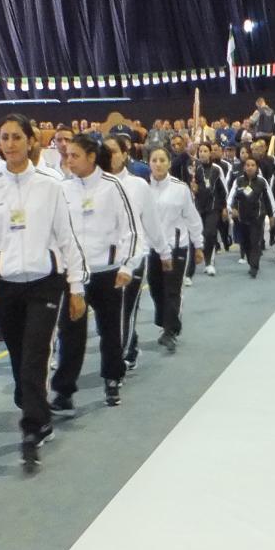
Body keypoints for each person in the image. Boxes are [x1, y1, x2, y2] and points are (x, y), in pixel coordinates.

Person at [0, 118, 86, 465]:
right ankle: (35, 408)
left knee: (36, 353)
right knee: (19, 355)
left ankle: (32, 427)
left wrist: (76, 285)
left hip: (44, 282)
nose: (9, 144)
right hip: (5, 285)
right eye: (4, 137)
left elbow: (66, 237)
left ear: (31, 141)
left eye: (16, 137)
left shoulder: (50, 186)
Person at [51, 133, 141, 411]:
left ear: (91, 157)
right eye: (67, 156)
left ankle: (112, 379)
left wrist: (127, 265)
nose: (69, 161)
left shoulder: (113, 187)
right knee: (70, 333)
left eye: (75, 155)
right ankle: (64, 391)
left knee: (110, 330)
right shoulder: (63, 190)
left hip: (108, 272)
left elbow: (132, 230)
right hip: (75, 275)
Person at [102, 134, 156, 372]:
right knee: (109, 316)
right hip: (103, 261)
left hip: (133, 258)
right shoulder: (96, 185)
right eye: (105, 151)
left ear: (125, 154)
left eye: (114, 151)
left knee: (125, 310)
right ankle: (130, 345)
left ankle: (116, 368)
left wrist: (163, 252)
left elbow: (151, 223)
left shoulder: (138, 185)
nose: (109, 156)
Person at [145, 146, 205, 352]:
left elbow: (192, 218)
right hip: (152, 249)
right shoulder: (143, 189)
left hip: (176, 247)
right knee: (155, 288)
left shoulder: (180, 188)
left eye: (162, 160)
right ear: (149, 163)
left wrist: (199, 245)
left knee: (172, 290)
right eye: (154, 160)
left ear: (169, 163)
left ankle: (171, 331)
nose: (158, 164)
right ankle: (165, 323)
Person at [229, 157, 272, 277]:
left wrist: (272, 215)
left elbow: (269, 199)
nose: (250, 167)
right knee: (246, 243)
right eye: (247, 165)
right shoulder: (238, 181)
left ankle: (254, 267)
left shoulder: (262, 182)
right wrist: (232, 208)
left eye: (253, 165)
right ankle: (251, 261)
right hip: (242, 218)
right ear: (244, 167)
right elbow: (232, 197)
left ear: (256, 168)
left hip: (257, 218)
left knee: (255, 242)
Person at [191, 141, 228, 276]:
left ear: (210, 153)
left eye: (205, 151)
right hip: (198, 208)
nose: (202, 153)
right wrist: (193, 188)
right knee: (197, 236)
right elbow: (190, 187)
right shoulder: (195, 169)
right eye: (200, 151)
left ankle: (209, 263)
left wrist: (224, 208)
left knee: (210, 233)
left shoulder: (217, 169)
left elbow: (223, 189)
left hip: (213, 208)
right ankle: (192, 264)